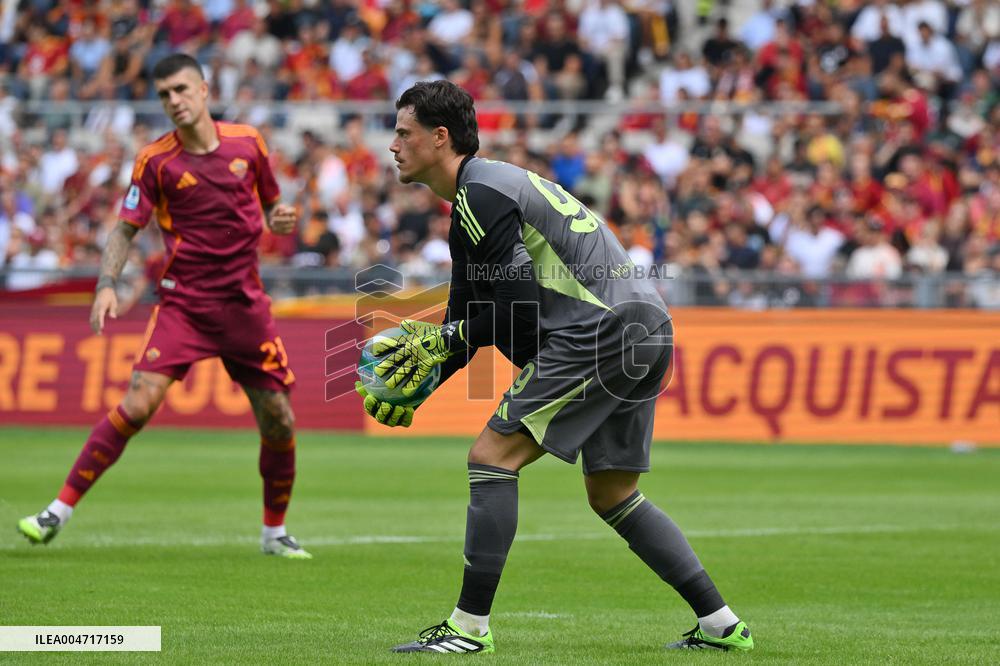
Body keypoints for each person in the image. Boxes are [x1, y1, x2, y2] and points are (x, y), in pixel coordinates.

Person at [356, 80, 753, 653]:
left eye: (402, 132)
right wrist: (421, 386)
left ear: (439, 138)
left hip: (601, 330)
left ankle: (468, 629)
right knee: (612, 493)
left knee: (490, 459)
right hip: (643, 325)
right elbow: (470, 324)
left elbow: (510, 303)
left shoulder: (480, 197)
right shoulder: (480, 197)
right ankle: (721, 624)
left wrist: (443, 341)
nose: (392, 145)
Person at [16, 54, 311, 560]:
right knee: (137, 402)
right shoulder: (156, 161)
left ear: (204, 88)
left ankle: (273, 533)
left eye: (180, 89)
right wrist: (107, 282)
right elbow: (125, 228)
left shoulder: (249, 143)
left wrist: (279, 220)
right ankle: (56, 512)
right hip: (185, 305)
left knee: (279, 419)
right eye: (164, 95)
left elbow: (271, 208)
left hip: (243, 305)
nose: (174, 101)